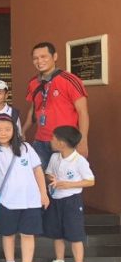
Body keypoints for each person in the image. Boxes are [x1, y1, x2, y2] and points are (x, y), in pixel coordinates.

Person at [0, 114, 49, 262]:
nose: (3, 133)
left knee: (28, 235)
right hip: (8, 200)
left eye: (7, 129)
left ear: (14, 130)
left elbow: (37, 170)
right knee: (8, 235)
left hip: (31, 200)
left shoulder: (26, 147)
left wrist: (43, 193)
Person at [22, 42, 89, 170]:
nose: (39, 61)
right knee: (39, 178)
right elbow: (33, 109)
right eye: (35, 58)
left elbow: (83, 112)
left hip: (65, 141)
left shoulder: (69, 79)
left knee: (65, 178)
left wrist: (83, 141)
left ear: (55, 56)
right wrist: (23, 130)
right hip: (40, 141)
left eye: (44, 56)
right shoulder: (33, 83)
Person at [42, 125, 95, 262]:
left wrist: (68, 184)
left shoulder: (79, 160)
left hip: (72, 201)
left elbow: (90, 181)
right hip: (55, 199)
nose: (51, 140)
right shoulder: (55, 157)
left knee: (75, 234)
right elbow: (48, 173)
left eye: (53, 138)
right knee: (57, 233)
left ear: (62, 143)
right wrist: (51, 179)